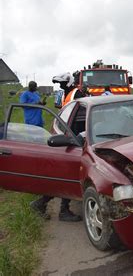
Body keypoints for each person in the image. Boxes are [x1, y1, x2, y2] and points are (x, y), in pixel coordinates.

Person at [30, 73, 84, 222]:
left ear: (69, 83)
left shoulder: (76, 93)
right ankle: (61, 210)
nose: (60, 86)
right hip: (69, 138)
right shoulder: (70, 93)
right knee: (68, 174)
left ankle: (43, 203)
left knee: (65, 174)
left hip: (69, 136)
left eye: (62, 83)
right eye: (59, 84)